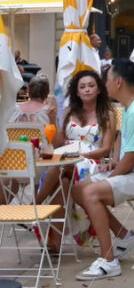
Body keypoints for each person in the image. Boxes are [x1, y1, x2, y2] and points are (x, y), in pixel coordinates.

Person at [72, 58, 134, 280]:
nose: (103, 84)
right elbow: (123, 143)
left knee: (91, 192)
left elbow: (132, 159)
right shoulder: (130, 107)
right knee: (78, 189)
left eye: (106, 80)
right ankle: (123, 235)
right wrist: (114, 162)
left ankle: (108, 261)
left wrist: (108, 178)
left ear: (118, 82)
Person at [35, 69, 116, 250]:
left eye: (91, 86)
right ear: (77, 92)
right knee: (63, 180)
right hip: (66, 157)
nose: (87, 89)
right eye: (82, 87)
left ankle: (35, 203)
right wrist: (53, 122)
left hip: (90, 161)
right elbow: (58, 143)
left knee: (61, 168)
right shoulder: (70, 111)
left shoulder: (107, 114)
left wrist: (82, 155)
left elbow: (106, 149)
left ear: (99, 90)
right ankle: (54, 239)